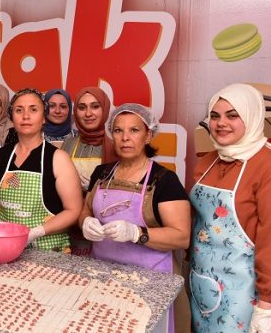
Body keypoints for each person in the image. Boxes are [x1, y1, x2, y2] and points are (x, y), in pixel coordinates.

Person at [190, 84, 271, 333]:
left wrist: (268, 304)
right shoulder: (208, 161)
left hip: (248, 294)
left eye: (232, 115)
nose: (221, 123)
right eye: (215, 116)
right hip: (203, 284)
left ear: (251, 117)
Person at [79, 103, 191, 333]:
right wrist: (85, 223)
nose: (125, 138)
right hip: (103, 276)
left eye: (134, 130)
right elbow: (85, 210)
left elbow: (181, 237)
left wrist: (136, 233)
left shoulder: (164, 180)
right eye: (118, 130)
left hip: (150, 281)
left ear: (148, 135)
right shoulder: (102, 173)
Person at [0, 88, 83, 251]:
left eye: (33, 110)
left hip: (48, 251)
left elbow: (73, 210)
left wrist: (37, 232)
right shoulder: (0, 156)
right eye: (19, 110)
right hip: (5, 247)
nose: (25, 116)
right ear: (12, 117)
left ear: (44, 117)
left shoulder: (58, 158)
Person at [61, 87, 116, 190]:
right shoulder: (68, 143)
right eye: (82, 108)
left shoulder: (116, 146)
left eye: (95, 107)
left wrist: (95, 189)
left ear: (105, 109)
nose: (88, 114)